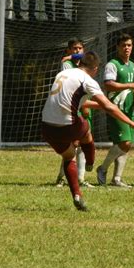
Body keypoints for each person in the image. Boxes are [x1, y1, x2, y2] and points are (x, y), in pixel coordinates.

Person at [42, 51, 134, 211]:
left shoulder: (63, 73)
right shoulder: (87, 80)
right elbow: (109, 107)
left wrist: (69, 57)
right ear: (95, 69)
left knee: (69, 156)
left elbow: (78, 102)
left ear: (79, 63)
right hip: (67, 126)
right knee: (86, 128)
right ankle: (90, 162)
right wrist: (131, 122)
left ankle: (77, 195)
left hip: (46, 126)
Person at [96, 33, 134, 187]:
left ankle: (117, 178)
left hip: (129, 110)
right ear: (117, 47)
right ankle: (102, 168)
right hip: (116, 109)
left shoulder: (133, 66)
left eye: (129, 45)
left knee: (125, 145)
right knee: (126, 142)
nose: (127, 48)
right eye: (123, 45)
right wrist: (131, 86)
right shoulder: (113, 64)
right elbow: (108, 84)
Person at [55, 38, 94, 189]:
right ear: (68, 51)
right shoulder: (66, 64)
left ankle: (81, 177)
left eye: (80, 49)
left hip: (83, 106)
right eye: (74, 49)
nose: (77, 51)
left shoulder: (86, 66)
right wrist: (71, 58)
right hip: (70, 107)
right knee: (73, 144)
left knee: (83, 141)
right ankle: (61, 177)